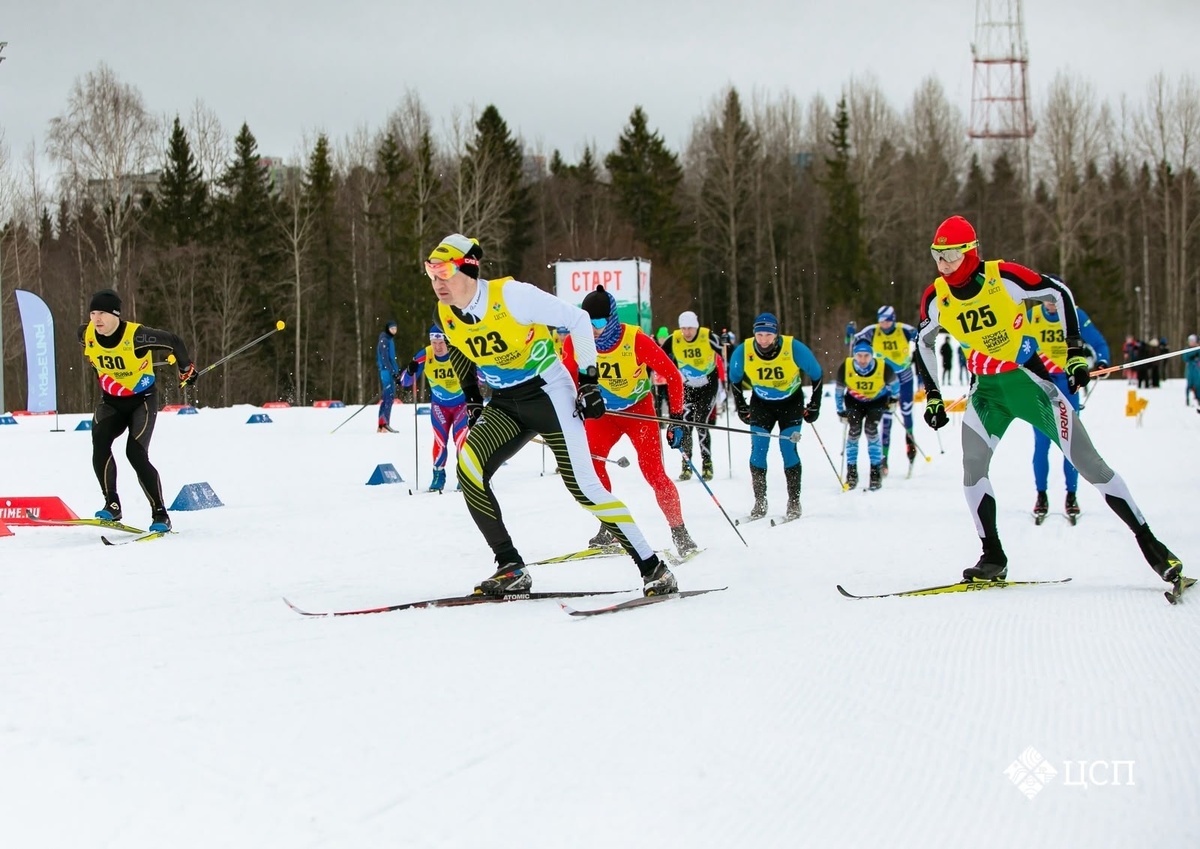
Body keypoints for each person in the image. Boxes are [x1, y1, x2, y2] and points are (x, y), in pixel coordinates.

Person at [915, 214, 1182, 586]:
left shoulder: (1002, 277)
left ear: (971, 252)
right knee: (973, 468)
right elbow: (923, 342)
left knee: (1091, 466)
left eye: (951, 256)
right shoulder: (935, 297)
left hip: (1032, 386)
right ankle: (993, 556)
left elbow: (1059, 292)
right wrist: (932, 395)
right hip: (987, 394)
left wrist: (1074, 353)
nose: (943, 265)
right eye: (937, 256)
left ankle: (1153, 547)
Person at [424, 234, 676, 597]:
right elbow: (459, 347)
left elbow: (578, 320)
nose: (438, 283)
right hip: (505, 403)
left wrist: (589, 382)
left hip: (548, 394)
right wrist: (473, 399)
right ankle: (510, 567)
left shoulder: (512, 296)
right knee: (470, 471)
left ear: (470, 269)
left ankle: (653, 568)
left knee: (584, 488)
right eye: (431, 274)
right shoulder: (444, 312)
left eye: (445, 273)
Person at [561, 286, 698, 557]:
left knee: (654, 473)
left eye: (599, 322)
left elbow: (673, 376)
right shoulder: (575, 342)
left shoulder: (635, 339)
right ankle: (610, 526)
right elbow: (567, 380)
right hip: (603, 415)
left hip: (639, 411)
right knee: (592, 466)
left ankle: (680, 532)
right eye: (587, 322)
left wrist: (676, 419)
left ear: (612, 319)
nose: (593, 329)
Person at [79, 288, 196, 532]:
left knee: (135, 453)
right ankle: (112, 504)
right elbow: (96, 357)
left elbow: (174, 341)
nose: (96, 319)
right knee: (99, 440)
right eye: (92, 313)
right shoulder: (86, 334)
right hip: (111, 402)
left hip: (141, 401)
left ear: (116, 315)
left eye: (102, 313)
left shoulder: (137, 336)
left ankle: (160, 514)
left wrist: (186, 369)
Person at [727, 312, 824, 520]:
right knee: (758, 450)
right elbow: (734, 378)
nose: (763, 340)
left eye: (768, 335)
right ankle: (760, 501)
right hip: (762, 405)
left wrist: (815, 405)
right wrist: (741, 405)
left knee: (788, 449)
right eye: (759, 335)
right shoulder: (744, 351)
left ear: (776, 335)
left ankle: (794, 502)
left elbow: (816, 374)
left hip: (791, 404)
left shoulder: (793, 347)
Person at [1026, 298, 1110, 520]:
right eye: (1047, 299)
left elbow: (1099, 343)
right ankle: (1041, 495)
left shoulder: (1075, 315)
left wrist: (1103, 362)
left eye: (1055, 299)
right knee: (1042, 442)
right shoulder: (1032, 316)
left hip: (1068, 383)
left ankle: (1071, 496)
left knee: (1070, 443)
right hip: (1041, 383)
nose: (1051, 304)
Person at [661, 310, 726, 481]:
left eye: (690, 328)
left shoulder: (707, 336)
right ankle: (687, 464)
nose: (687, 332)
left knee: (700, 422)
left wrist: (726, 348)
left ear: (696, 327)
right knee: (686, 424)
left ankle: (707, 464)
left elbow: (725, 352)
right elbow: (658, 355)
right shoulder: (674, 339)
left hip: (708, 386)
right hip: (687, 386)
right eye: (683, 328)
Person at [854, 306, 919, 475]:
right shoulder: (872, 331)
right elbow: (855, 342)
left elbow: (922, 336)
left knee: (906, 411)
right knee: (887, 417)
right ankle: (884, 458)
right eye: (881, 321)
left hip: (904, 378)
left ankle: (910, 444)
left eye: (887, 321)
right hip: (885, 380)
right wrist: (851, 336)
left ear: (893, 319)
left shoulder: (903, 330)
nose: (884, 324)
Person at [405, 326, 468, 492]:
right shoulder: (425, 354)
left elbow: (479, 375)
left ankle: (465, 476)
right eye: (434, 343)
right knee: (440, 440)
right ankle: (438, 476)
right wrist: (410, 371)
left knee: (461, 440)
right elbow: (406, 382)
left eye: (441, 343)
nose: (437, 347)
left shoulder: (458, 351)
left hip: (461, 405)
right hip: (440, 406)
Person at [836, 340, 900, 490]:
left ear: (872, 356)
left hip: (876, 401)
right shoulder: (846, 367)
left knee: (871, 430)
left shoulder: (883, 367)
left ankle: (875, 473)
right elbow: (839, 390)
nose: (863, 360)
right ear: (854, 355)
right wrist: (840, 410)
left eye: (866, 356)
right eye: (859, 356)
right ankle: (852, 473)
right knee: (854, 431)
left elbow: (895, 384)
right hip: (854, 401)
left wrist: (893, 399)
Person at [376, 319, 400, 433]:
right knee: (388, 397)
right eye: (392, 329)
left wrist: (397, 371)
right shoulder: (384, 340)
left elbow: (391, 358)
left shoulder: (389, 339)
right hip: (386, 372)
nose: (394, 331)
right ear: (387, 329)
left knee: (388, 397)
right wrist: (392, 371)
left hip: (390, 371)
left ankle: (382, 424)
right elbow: (385, 358)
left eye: (395, 329)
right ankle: (384, 423)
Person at [651, 326, 671, 421]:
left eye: (664, 338)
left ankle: (672, 419)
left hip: (667, 380)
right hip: (657, 380)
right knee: (657, 401)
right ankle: (659, 420)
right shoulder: (654, 347)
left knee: (669, 400)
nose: (662, 340)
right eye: (660, 338)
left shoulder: (669, 348)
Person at [1184, 334, 1200, 408]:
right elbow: (1185, 358)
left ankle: (1198, 398)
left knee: (1198, 385)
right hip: (1190, 369)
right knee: (1189, 385)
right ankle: (1187, 399)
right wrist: (1193, 353)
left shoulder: (1198, 348)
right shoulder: (1187, 349)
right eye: (1190, 341)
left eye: (1193, 341)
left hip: (1197, 369)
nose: (1191, 342)